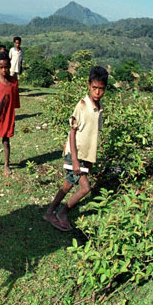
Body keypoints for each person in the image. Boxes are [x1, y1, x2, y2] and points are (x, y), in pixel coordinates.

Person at [43, 66, 108, 231]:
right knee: (85, 188)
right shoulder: (82, 105)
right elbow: (72, 133)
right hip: (75, 155)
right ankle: (63, 212)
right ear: (88, 85)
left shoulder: (99, 108)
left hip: (85, 157)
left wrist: (89, 160)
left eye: (101, 89)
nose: (97, 92)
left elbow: (93, 134)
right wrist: (74, 159)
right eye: (94, 88)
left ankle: (50, 211)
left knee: (68, 185)